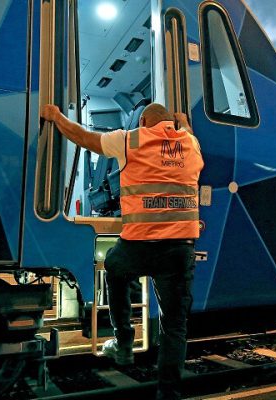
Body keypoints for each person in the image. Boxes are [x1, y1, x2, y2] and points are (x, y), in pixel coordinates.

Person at [41, 103, 203, 400]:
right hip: (180, 248)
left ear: (143, 120)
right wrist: (183, 123)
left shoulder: (131, 138)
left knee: (114, 268)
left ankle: (124, 341)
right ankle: (168, 395)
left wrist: (56, 117)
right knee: (174, 326)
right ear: (172, 123)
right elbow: (189, 135)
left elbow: (83, 137)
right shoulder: (190, 144)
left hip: (139, 244)